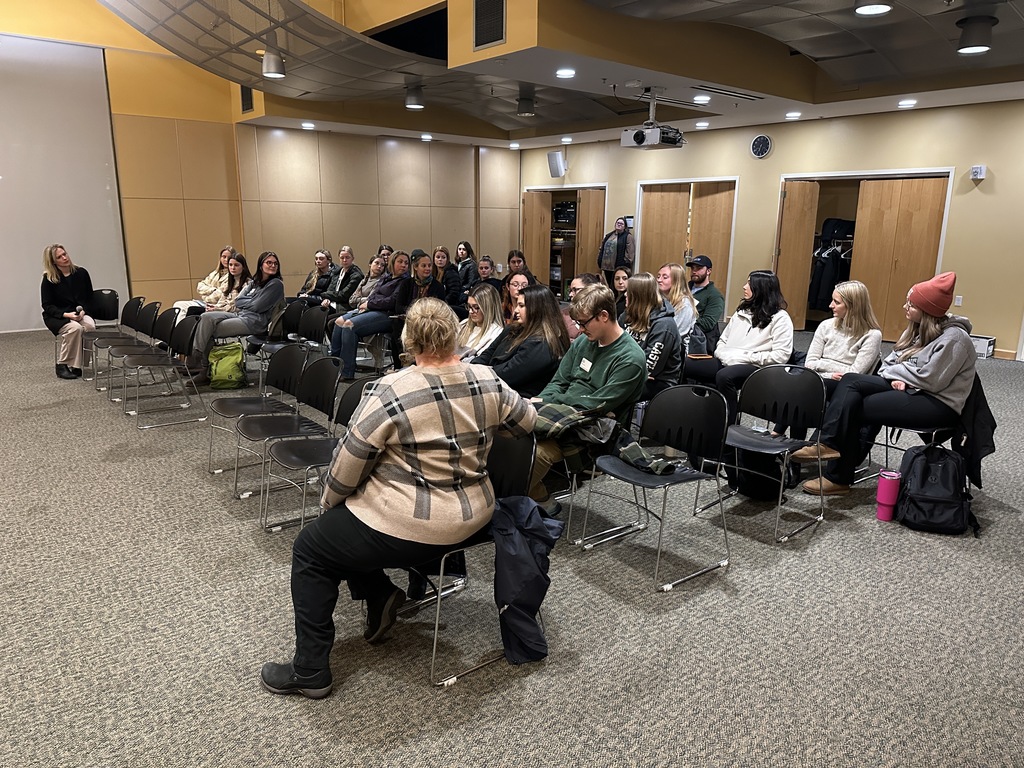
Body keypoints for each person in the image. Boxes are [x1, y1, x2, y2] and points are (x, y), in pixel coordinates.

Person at [259, 298, 536, 699]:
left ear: (408, 340)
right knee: (344, 525)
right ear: (454, 334)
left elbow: (347, 465)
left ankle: (310, 670)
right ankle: (380, 593)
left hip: (415, 527)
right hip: (477, 517)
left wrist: (328, 501)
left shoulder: (393, 388)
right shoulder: (487, 378)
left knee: (312, 546)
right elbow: (527, 421)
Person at [794, 272, 976, 497]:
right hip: (911, 389)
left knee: (854, 406)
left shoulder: (956, 339)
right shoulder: (916, 330)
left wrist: (904, 379)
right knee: (849, 382)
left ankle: (837, 476)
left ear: (927, 309)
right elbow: (887, 364)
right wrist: (898, 377)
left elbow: (931, 379)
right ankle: (828, 445)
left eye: (911, 304)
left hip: (938, 404)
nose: (905, 307)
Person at [528, 284, 647, 506]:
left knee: (534, 454)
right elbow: (559, 381)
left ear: (603, 316)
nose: (579, 329)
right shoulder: (585, 341)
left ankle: (514, 502)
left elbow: (596, 405)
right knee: (509, 434)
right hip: (563, 416)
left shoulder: (631, 359)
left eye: (583, 323)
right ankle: (536, 499)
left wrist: (545, 403)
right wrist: (542, 403)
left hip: (593, 431)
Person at [684, 270, 794, 426]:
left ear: (761, 288)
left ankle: (728, 426)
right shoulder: (742, 311)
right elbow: (723, 340)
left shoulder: (781, 318)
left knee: (724, 376)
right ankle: (692, 415)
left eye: (749, 283)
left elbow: (780, 356)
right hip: (727, 360)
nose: (744, 287)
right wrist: (723, 354)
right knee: (687, 364)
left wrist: (741, 357)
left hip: (757, 366)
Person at [775, 280, 882, 438]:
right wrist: (830, 372)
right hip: (822, 379)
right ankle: (793, 448)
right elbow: (809, 363)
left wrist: (822, 366)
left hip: (845, 388)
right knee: (802, 385)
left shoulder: (872, 335)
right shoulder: (826, 325)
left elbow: (854, 373)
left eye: (836, 302)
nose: (830, 305)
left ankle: (782, 437)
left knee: (804, 386)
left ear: (853, 306)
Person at [188, 251, 285, 379]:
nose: (272, 265)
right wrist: (249, 302)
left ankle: (203, 368)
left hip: (254, 322)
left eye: (275, 263)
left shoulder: (275, 284)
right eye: (269, 262)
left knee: (207, 330)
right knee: (205, 317)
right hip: (240, 315)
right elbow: (238, 301)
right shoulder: (255, 282)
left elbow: (257, 306)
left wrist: (248, 302)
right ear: (261, 265)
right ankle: (197, 356)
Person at [472, 284, 570, 397]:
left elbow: (508, 375)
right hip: (493, 387)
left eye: (521, 305)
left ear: (537, 309)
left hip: (518, 399)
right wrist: (473, 369)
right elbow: (487, 354)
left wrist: (478, 373)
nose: (516, 310)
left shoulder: (543, 343)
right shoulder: (511, 329)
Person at [328, 250, 410, 380]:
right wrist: (368, 303)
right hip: (372, 309)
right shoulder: (386, 278)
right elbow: (374, 294)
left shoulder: (405, 282)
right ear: (393, 263)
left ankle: (347, 372)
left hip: (387, 314)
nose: (404, 265)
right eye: (400, 262)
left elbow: (392, 302)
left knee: (350, 325)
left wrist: (370, 304)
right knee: (338, 321)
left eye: (406, 263)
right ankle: (335, 366)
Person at [620, 272, 682, 400]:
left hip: (659, 382)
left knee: (616, 390)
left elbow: (649, 368)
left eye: (629, 292)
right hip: (629, 372)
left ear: (639, 297)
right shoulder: (628, 315)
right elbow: (613, 346)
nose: (625, 294)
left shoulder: (664, 325)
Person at [41, 243, 96, 379]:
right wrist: (66, 315)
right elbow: (47, 305)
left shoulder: (81, 273)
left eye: (65, 254)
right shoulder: (49, 279)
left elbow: (89, 297)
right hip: (58, 316)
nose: (65, 258)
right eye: (60, 257)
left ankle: (77, 365)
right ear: (53, 262)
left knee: (89, 326)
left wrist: (83, 311)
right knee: (75, 329)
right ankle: (62, 365)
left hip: (79, 312)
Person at [172, 245, 234, 318]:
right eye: (224, 257)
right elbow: (200, 286)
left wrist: (206, 294)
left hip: (215, 306)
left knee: (183, 307)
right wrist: (213, 289)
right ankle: (180, 328)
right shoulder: (215, 273)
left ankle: (181, 329)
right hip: (204, 302)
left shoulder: (232, 276)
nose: (226, 260)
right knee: (178, 305)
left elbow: (217, 296)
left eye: (229, 258)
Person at [686, 255, 726, 352]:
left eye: (699, 268)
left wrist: (685, 320)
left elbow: (708, 324)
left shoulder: (715, 296)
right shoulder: (683, 289)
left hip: (699, 342)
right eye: (692, 268)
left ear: (709, 271)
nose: (694, 271)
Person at [456, 283, 503, 359]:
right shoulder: (463, 324)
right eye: (469, 306)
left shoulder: (496, 332)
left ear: (489, 308)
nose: (471, 311)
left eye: (476, 307)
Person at [657, 262, 698, 344]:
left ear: (676, 280)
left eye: (665, 277)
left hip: (675, 350)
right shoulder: (660, 299)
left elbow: (675, 335)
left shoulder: (685, 305)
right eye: (658, 276)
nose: (659, 280)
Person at [319, 245, 363, 314]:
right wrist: (327, 299)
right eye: (342, 258)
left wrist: (324, 294)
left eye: (347, 257)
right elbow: (330, 289)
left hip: (344, 306)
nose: (344, 260)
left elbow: (343, 295)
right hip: (332, 302)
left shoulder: (356, 275)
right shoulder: (337, 271)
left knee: (320, 314)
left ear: (352, 258)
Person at [564, 272, 603, 341]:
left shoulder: (600, 315)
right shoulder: (564, 314)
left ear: (589, 289)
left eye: (575, 290)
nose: (570, 294)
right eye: (570, 290)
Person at [597, 217, 635, 286]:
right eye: (618, 223)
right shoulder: (609, 235)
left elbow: (630, 253)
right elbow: (602, 248)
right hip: (607, 268)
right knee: (609, 285)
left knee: (618, 285)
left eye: (621, 223)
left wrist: (625, 263)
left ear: (625, 226)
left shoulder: (628, 236)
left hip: (620, 267)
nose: (619, 224)